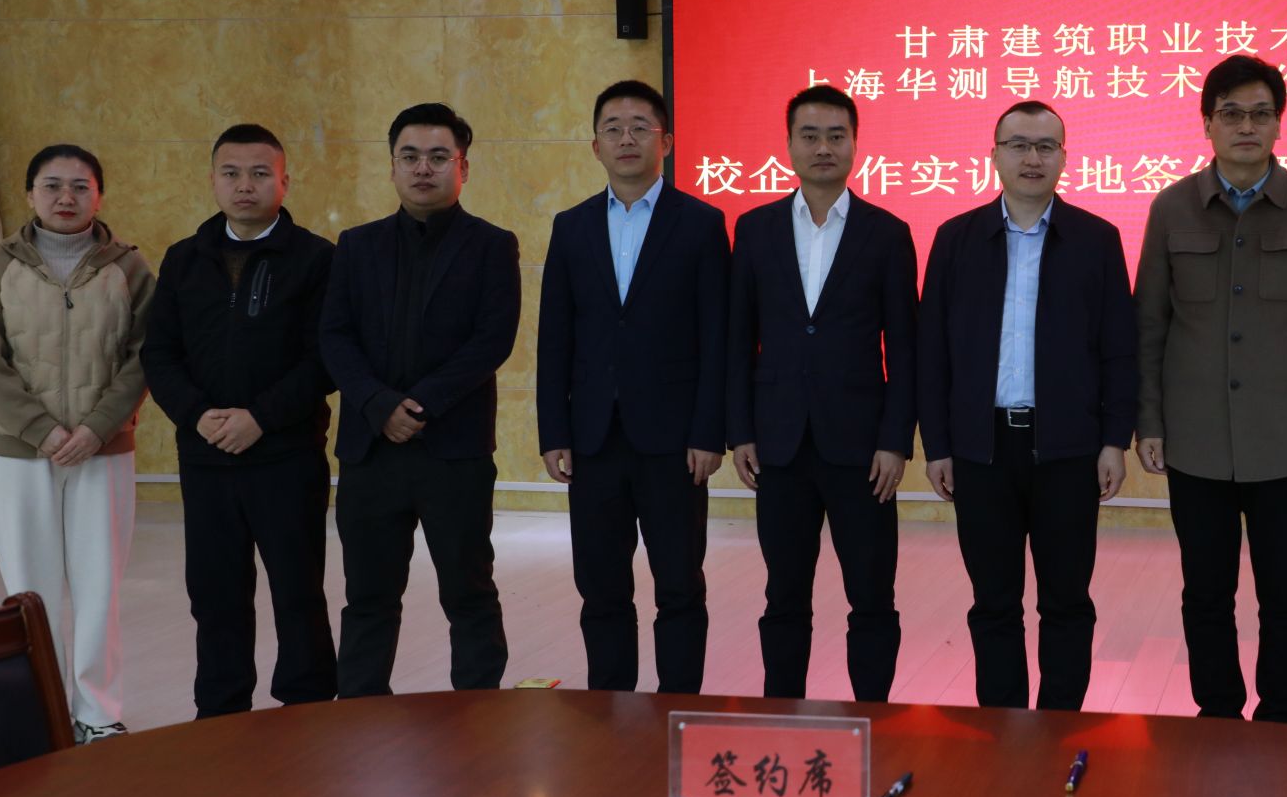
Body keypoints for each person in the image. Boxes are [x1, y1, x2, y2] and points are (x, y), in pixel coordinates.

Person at [1134, 54, 1287, 724]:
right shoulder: (1171, 208)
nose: (1246, 126)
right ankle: (1219, 713)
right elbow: (1148, 326)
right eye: (1231, 113)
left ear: (1279, 123)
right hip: (1194, 439)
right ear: (1207, 123)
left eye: (1261, 113)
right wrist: (1149, 421)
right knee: (1205, 592)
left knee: (1285, 592)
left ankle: (1281, 714)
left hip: (1286, 441)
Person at [918, 101, 1137, 710]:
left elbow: (1119, 349)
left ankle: (1059, 726)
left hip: (1068, 448)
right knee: (994, 602)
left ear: (1065, 157)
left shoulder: (1096, 239)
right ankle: (1004, 729)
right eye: (1018, 144)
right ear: (994, 155)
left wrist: (1114, 439)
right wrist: (938, 445)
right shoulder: (956, 239)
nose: (1032, 158)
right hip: (981, 448)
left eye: (1045, 146)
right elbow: (932, 351)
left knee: (1066, 601)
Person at [320, 102, 520, 696]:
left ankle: (476, 714)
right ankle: (360, 711)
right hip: (371, 450)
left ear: (463, 167)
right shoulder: (356, 245)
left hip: (453, 450)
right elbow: (334, 335)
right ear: (392, 167)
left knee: (468, 591)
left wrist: (421, 406)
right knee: (368, 596)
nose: (423, 168)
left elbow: (492, 340)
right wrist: (379, 406)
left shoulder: (492, 245)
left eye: (438, 157)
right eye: (409, 157)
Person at [728, 84, 917, 702]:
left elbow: (905, 348)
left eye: (837, 136)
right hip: (778, 444)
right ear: (788, 146)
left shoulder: (887, 233)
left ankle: (874, 717)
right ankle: (781, 715)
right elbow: (738, 340)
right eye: (809, 136)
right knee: (784, 596)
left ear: (856, 145)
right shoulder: (754, 230)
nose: (823, 148)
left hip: (863, 451)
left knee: (872, 596)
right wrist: (741, 431)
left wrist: (895, 442)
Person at [140, 124, 337, 717]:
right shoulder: (184, 258)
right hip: (206, 458)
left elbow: (325, 357)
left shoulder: (317, 259)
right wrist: (197, 414)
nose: (244, 185)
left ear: (284, 181)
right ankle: (221, 714)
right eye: (231, 173)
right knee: (215, 596)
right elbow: (159, 353)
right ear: (213, 181)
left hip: (285, 456)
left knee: (297, 591)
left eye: (259, 173)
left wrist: (261, 418)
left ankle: (307, 709)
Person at [538, 80, 728, 693]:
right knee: (601, 589)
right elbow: (555, 338)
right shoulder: (571, 227)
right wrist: (553, 430)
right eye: (613, 128)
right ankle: (609, 711)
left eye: (640, 127)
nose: (627, 138)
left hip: (675, 442)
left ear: (665, 141)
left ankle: (676, 708)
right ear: (595, 145)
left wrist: (710, 432)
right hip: (593, 438)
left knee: (679, 585)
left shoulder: (701, 224)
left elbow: (717, 337)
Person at [0, 144, 155, 740]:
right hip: (18, 453)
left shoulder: (129, 267)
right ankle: (43, 715)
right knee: (29, 593)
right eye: (52, 185)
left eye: (80, 186)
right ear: (30, 193)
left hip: (101, 451)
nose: (66, 197)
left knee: (99, 587)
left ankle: (97, 714)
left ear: (98, 196)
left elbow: (144, 358)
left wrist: (96, 428)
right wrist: (41, 430)